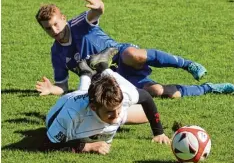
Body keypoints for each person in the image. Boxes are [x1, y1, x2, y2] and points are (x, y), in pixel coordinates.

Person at [35, 0, 234, 98]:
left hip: (119, 55)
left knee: (134, 54)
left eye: (55, 24)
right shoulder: (56, 53)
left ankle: (188, 64)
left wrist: (100, 5)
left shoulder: (79, 23)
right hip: (112, 78)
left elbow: (96, 12)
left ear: (63, 18)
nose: (54, 30)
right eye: (48, 28)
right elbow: (63, 86)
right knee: (157, 91)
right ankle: (209, 88)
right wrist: (51, 88)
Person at [43, 53, 171, 155]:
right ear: (93, 108)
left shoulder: (124, 97)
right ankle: (86, 74)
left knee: (145, 115)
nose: (116, 117)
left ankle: (101, 68)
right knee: (81, 93)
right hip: (67, 103)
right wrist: (86, 146)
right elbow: (49, 145)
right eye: (110, 112)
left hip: (91, 104)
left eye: (118, 110)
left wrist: (159, 133)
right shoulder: (71, 115)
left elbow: (146, 97)